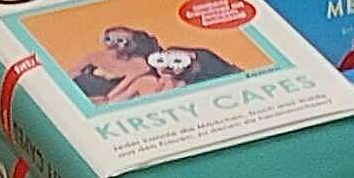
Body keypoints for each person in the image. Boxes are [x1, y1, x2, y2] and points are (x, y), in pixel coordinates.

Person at [70, 25, 236, 105]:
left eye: (120, 40)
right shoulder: (94, 56)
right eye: (109, 39)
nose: (113, 44)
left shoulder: (142, 68)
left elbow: (121, 92)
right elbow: (70, 74)